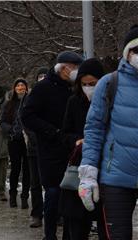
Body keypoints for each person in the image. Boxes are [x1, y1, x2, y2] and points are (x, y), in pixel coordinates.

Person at [78, 25, 138, 240]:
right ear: (126, 53)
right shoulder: (110, 83)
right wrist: (87, 175)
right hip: (115, 179)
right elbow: (94, 130)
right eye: (136, 49)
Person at [21, 51, 83, 240]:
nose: (76, 72)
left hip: (71, 148)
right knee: (54, 193)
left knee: (70, 194)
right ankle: (49, 235)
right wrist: (51, 132)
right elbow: (28, 116)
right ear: (63, 68)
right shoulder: (43, 88)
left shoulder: (76, 89)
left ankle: (67, 235)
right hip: (50, 150)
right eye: (74, 68)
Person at [59, 58, 105, 240]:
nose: (88, 87)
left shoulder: (110, 100)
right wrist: (76, 141)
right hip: (79, 167)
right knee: (77, 222)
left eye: (92, 84)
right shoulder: (74, 101)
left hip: (105, 167)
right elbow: (65, 133)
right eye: (84, 84)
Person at [24, 67, 48, 228]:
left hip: (52, 147)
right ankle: (37, 213)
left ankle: (56, 213)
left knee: (53, 182)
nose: (42, 78)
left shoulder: (55, 95)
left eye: (45, 76)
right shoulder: (30, 97)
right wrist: (34, 137)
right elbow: (26, 119)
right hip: (34, 147)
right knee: (35, 183)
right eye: (40, 76)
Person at [1, 79, 30, 209]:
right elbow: (2, 122)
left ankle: (25, 196)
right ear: (14, 88)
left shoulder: (30, 101)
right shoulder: (9, 104)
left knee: (27, 169)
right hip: (14, 140)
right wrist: (11, 129)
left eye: (22, 85)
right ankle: (13, 195)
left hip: (28, 140)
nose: (20, 87)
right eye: (18, 85)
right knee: (15, 169)